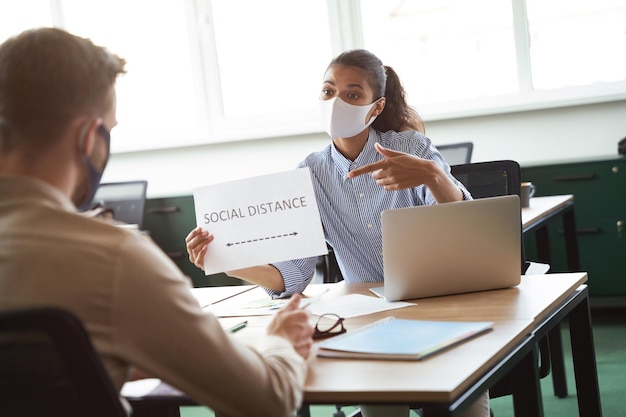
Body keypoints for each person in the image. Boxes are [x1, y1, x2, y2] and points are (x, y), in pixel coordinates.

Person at [0, 28, 313, 417]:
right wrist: (281, 343)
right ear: (88, 138)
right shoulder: (113, 257)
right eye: (109, 131)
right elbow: (267, 402)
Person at [186, 49, 489, 417]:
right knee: (382, 408)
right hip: (373, 321)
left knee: (461, 406)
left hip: (443, 306)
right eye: (328, 92)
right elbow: (293, 277)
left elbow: (466, 231)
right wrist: (227, 260)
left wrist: (435, 176)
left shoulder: (412, 149)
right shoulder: (309, 173)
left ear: (375, 108)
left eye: (352, 94)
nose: (336, 103)